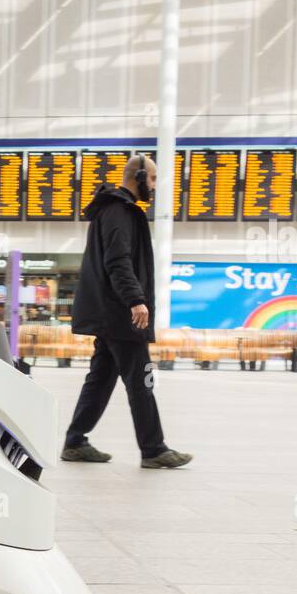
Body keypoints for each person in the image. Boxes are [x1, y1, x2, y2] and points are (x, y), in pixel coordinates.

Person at [60, 155, 192, 469]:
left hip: (110, 312)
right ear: (141, 176)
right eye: (154, 179)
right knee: (141, 380)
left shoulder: (113, 209)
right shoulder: (120, 210)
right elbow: (118, 261)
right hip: (120, 313)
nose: (155, 186)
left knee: (101, 378)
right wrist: (136, 300)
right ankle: (154, 449)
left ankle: (75, 441)